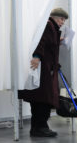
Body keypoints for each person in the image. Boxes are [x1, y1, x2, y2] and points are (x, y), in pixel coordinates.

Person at [18, 8, 68, 137]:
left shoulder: (51, 27)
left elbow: (48, 47)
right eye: (62, 19)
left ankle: (38, 127)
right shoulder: (48, 25)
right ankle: (40, 127)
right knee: (44, 99)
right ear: (56, 17)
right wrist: (37, 56)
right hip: (43, 69)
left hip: (46, 68)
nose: (63, 22)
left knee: (39, 98)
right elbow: (40, 41)